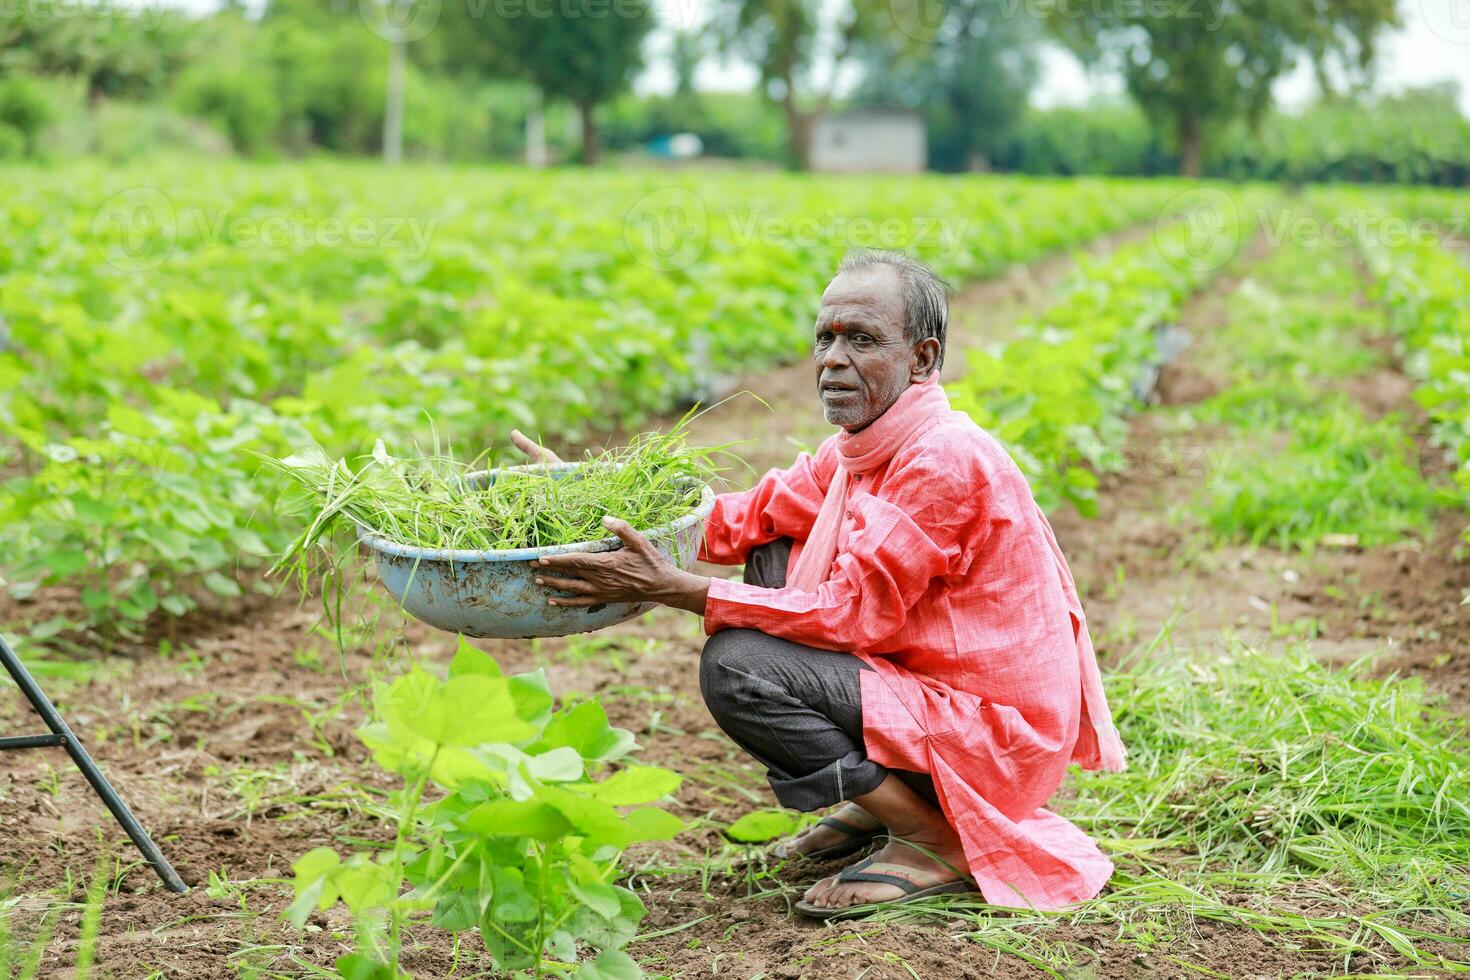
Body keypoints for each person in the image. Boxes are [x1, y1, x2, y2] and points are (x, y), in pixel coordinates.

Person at [521, 248, 1125, 919]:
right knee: (774, 548)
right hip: (931, 693)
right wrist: (584, 492)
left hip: (993, 737)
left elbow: (851, 618)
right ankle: (900, 800)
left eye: (862, 340)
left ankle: (931, 837)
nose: (832, 359)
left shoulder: (941, 460)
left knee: (740, 666)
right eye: (825, 338)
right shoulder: (863, 448)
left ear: (921, 360)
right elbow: (740, 520)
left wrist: (678, 589)